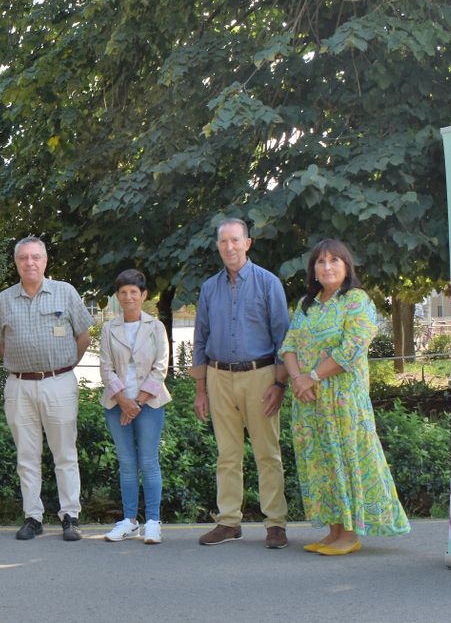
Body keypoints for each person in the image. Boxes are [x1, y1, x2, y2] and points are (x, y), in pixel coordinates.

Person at [281, 238, 410, 555]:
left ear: (346, 266)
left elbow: (352, 348)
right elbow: (289, 345)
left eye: (333, 261)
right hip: (309, 402)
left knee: (346, 460)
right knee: (322, 464)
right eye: (320, 262)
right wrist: (298, 379)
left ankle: (350, 534)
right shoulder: (306, 305)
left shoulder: (356, 301)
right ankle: (333, 530)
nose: (326, 267)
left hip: (343, 401)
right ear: (313, 269)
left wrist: (311, 377)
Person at [192, 218, 291, 549]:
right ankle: (229, 522)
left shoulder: (268, 283)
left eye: (235, 240)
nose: (229, 247)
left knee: (267, 453)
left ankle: (275, 523)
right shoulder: (209, 288)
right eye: (223, 242)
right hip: (219, 377)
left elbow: (283, 337)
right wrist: (201, 389)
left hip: (260, 376)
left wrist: (280, 385)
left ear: (248, 243)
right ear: (218, 246)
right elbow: (200, 339)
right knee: (227, 454)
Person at [0, 236, 94, 541]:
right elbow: (0, 343)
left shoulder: (65, 292)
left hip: (59, 383)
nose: (30, 263)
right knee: (27, 454)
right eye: (23, 258)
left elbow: (84, 336)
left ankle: (70, 515)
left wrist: (64, 367)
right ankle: (32, 517)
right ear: (16, 263)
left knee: (64, 452)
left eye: (35, 257)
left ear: (45, 261)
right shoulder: (4, 300)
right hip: (20, 385)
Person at [98, 269, 171, 545]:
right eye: (123, 292)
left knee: (149, 462)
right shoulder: (109, 328)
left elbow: (160, 366)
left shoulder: (156, 327)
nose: (128, 297)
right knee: (127, 464)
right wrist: (123, 401)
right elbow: (105, 367)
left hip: (149, 404)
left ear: (143, 295)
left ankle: (153, 521)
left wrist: (137, 402)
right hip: (117, 404)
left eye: (134, 292)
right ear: (118, 297)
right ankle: (129, 521)